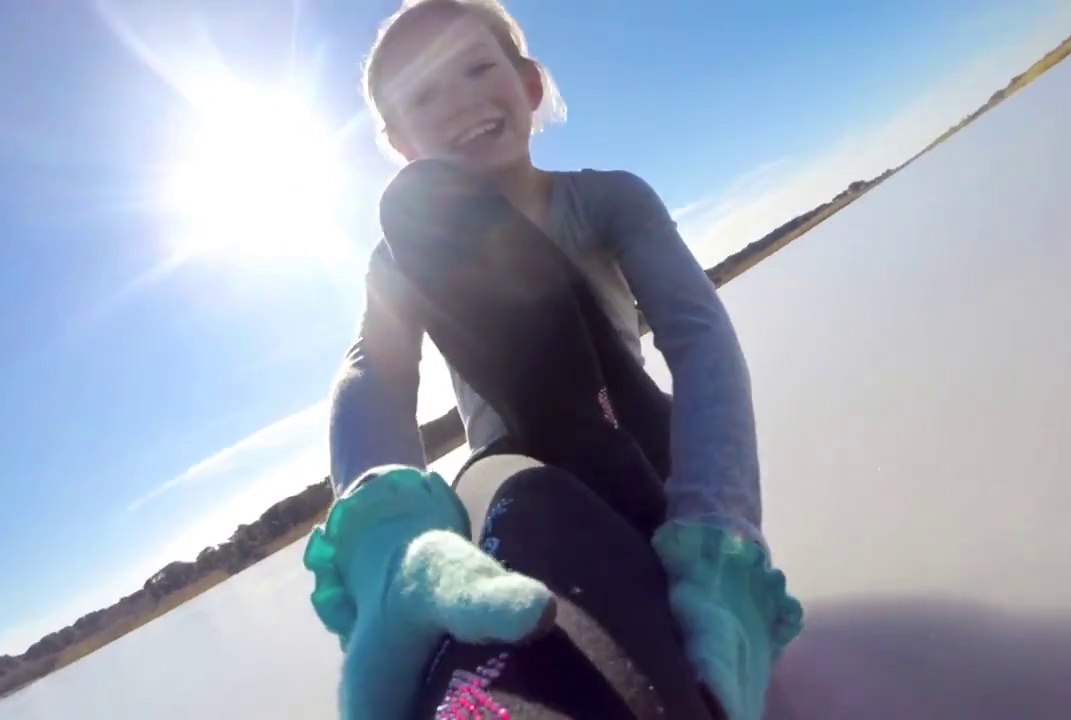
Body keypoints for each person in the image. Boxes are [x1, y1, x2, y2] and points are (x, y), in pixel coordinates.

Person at [303, 1, 803, 718]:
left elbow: (700, 341)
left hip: (644, 466)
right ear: (400, 141)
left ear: (530, 84)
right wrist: (387, 536)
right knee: (422, 217)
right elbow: (370, 377)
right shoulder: (399, 258)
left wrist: (719, 531)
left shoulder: (606, 199)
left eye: (477, 67)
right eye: (424, 94)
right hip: (520, 482)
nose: (460, 99)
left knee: (563, 471)